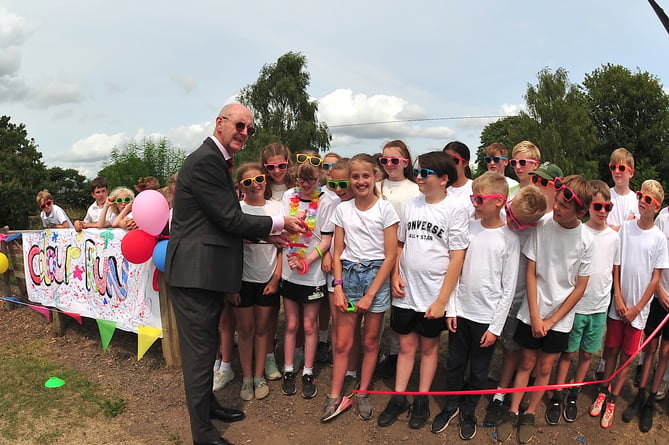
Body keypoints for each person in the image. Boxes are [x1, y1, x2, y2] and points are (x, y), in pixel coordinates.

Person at [164, 103, 304, 445]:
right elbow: (229, 218)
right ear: (220, 123)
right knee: (200, 355)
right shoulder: (206, 160)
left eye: (249, 128)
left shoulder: (213, 160)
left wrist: (266, 235)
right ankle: (203, 434)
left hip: (203, 272)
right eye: (239, 125)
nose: (244, 132)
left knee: (206, 346)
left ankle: (208, 407)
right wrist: (278, 221)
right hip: (195, 274)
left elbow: (217, 221)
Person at [497, 175, 594, 444]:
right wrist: (536, 315)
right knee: (526, 362)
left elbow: (579, 287)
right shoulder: (543, 226)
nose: (557, 208)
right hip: (533, 311)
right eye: (558, 202)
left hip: (559, 319)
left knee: (545, 366)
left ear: (581, 212)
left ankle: (529, 412)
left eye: (564, 207)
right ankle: (514, 409)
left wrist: (551, 321)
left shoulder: (586, 239)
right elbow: (530, 272)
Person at [377, 152, 468, 431]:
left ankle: (421, 398)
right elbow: (401, 244)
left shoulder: (455, 209)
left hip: (432, 294)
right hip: (407, 291)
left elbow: (457, 257)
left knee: (428, 349)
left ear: (443, 179)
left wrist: (442, 301)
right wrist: (395, 275)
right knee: (405, 346)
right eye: (418, 171)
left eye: (425, 173)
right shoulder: (413, 204)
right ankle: (399, 396)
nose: (418, 177)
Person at [432, 172, 518, 441]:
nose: (475, 203)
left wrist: (495, 327)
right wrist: (453, 309)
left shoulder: (510, 239)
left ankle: (469, 410)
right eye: (473, 198)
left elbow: (508, 289)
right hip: (462, 313)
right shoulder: (468, 228)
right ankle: (450, 405)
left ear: (499, 202)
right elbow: (454, 272)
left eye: (480, 199)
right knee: (455, 363)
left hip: (486, 318)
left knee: (479, 371)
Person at [324, 153, 399, 423]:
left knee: (370, 341)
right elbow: (337, 252)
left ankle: (362, 391)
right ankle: (334, 393)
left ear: (375, 176)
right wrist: (339, 287)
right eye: (355, 177)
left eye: (365, 176)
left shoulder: (385, 209)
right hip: (349, 276)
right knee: (343, 342)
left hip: (375, 279)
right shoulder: (342, 209)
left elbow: (390, 255)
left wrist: (371, 294)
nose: (360, 181)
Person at [591, 180, 668, 430]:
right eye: (640, 196)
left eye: (648, 200)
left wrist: (637, 308)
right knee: (611, 349)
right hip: (619, 305)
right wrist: (620, 298)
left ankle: (613, 396)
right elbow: (617, 266)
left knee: (627, 356)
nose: (641, 202)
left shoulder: (659, 238)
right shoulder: (625, 229)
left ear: (657, 207)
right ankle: (603, 390)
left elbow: (655, 277)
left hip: (639, 311)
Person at [550, 180, 620, 424]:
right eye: (598, 206)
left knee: (587, 356)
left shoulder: (614, 237)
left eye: (607, 207)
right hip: (577, 306)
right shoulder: (580, 232)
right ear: (588, 207)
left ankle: (573, 393)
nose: (602, 211)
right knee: (568, 354)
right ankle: (557, 394)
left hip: (600, 308)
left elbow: (614, 270)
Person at [484, 185, 547, 428]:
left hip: (523, 298)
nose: (511, 222)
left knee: (520, 352)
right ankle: (500, 391)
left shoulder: (538, 229)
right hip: (497, 295)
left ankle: (507, 393)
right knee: (508, 349)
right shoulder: (499, 219)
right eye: (509, 213)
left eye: (518, 222)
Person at [279, 152, 336, 399]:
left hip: (311, 274)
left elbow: (326, 240)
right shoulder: (287, 196)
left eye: (310, 180)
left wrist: (306, 261)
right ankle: (289, 369)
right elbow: (283, 227)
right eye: (301, 179)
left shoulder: (327, 200)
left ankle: (308, 371)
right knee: (291, 324)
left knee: (309, 325)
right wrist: (294, 258)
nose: (305, 184)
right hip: (289, 269)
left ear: (319, 177)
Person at [224, 163, 282, 402]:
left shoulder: (277, 208)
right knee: (245, 331)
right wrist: (232, 285)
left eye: (258, 179)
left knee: (262, 330)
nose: (254, 185)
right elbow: (228, 250)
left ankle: (259, 376)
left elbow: (283, 248)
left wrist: (277, 277)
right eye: (247, 182)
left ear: (265, 180)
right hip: (243, 281)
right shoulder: (235, 210)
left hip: (268, 279)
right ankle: (247, 378)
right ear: (240, 187)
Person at [376, 140, 420, 378]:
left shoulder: (414, 189)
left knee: (398, 307)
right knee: (377, 307)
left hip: (403, 254)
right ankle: (375, 352)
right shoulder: (375, 186)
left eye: (395, 160)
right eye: (384, 160)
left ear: (405, 162)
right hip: (375, 254)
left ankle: (396, 354)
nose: (389, 165)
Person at [595, 147, 640, 381]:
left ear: (631, 172)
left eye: (621, 168)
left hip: (627, 266)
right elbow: (604, 228)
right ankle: (603, 361)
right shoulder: (606, 195)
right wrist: (623, 227)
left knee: (622, 316)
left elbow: (633, 233)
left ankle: (628, 361)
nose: (617, 171)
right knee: (605, 315)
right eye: (613, 167)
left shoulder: (636, 200)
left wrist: (618, 228)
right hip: (606, 261)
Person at [260, 142, 296, 380]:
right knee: (270, 312)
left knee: (297, 313)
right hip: (268, 258)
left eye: (281, 165)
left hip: (297, 257)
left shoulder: (298, 186)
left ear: (288, 163)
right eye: (271, 167)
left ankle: (298, 353)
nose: (276, 171)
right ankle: (269, 356)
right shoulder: (261, 189)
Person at [316, 151, 343, 364]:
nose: (330, 170)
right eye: (326, 166)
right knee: (324, 303)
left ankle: (338, 347)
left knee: (339, 307)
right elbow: (323, 231)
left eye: (333, 166)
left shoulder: (345, 193)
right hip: (324, 256)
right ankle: (322, 340)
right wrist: (326, 254)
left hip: (341, 259)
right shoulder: (322, 194)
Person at [443, 141, 474, 215]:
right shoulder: (437, 188)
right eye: (446, 160)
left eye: (454, 160)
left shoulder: (475, 188)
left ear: (465, 163)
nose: (450, 164)